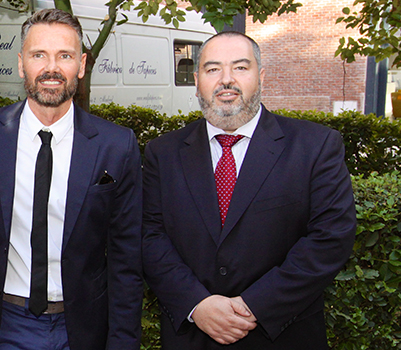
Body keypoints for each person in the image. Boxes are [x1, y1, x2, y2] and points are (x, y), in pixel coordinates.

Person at [141, 31, 356, 349]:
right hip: (192, 335)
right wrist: (197, 304)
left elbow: (331, 238)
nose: (226, 80)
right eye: (213, 69)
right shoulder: (162, 153)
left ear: (261, 76)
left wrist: (254, 306)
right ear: (197, 79)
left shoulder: (316, 146)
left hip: (283, 335)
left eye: (240, 67)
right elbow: (149, 236)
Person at [0, 8, 143, 350]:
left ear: (82, 65)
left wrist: (122, 342)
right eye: (38, 55)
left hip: (82, 329)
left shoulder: (116, 145)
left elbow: (126, 259)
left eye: (65, 56)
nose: (51, 68)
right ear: (21, 63)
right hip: (2, 324)